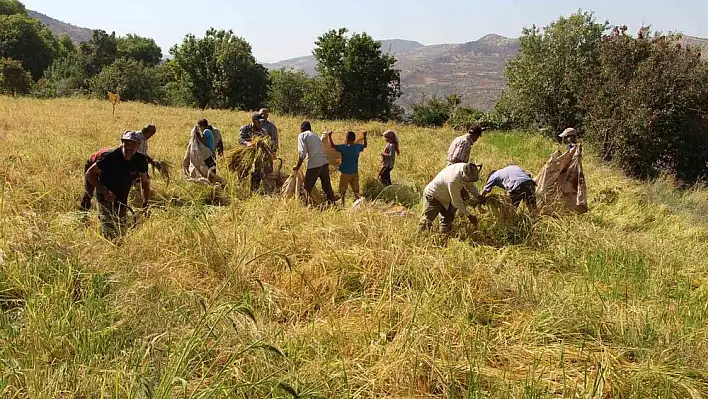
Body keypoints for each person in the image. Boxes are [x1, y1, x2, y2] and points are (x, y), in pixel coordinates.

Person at [85, 131, 150, 239]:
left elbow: (145, 183)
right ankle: (107, 246)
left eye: (133, 144)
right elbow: (89, 174)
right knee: (109, 227)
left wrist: (146, 203)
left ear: (138, 146)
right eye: (127, 143)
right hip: (104, 193)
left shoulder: (140, 160)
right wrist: (105, 191)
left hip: (122, 195)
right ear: (122, 143)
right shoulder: (110, 156)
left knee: (121, 225)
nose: (129, 147)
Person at [419, 163, 483, 234]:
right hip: (434, 196)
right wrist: (470, 216)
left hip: (446, 196)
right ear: (464, 176)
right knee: (427, 221)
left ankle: (443, 237)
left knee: (447, 219)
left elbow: (470, 185)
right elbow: (457, 202)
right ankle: (420, 238)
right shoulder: (453, 180)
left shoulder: (468, 168)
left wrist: (478, 196)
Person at [293, 121, 336, 204]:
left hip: (314, 165)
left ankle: (302, 206)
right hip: (324, 163)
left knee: (306, 188)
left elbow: (302, 153)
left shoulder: (302, 136)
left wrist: (298, 166)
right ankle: (332, 203)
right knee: (327, 187)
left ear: (301, 128)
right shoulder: (315, 136)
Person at [327, 130, 367, 205]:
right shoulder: (357, 147)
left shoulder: (344, 147)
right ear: (354, 139)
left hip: (345, 172)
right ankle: (359, 203)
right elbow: (365, 146)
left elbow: (332, 146)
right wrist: (364, 136)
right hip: (354, 172)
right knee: (356, 190)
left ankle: (342, 203)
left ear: (347, 139)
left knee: (342, 191)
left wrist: (329, 136)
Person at [239, 112, 276, 192]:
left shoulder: (263, 131)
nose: (261, 123)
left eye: (262, 122)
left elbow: (268, 142)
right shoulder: (245, 128)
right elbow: (240, 139)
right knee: (243, 172)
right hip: (246, 155)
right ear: (254, 121)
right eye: (259, 122)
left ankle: (254, 190)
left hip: (258, 156)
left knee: (257, 173)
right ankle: (240, 187)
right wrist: (247, 143)